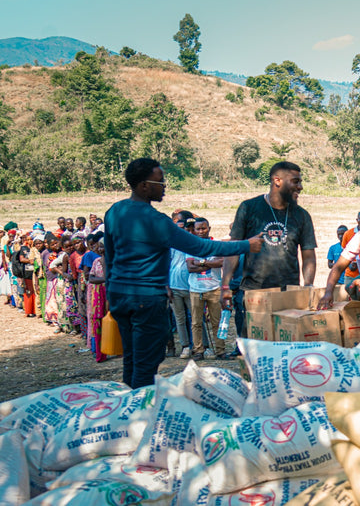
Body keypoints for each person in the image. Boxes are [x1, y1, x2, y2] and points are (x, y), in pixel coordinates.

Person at [105, 158, 261, 389]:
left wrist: (111, 291)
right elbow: (202, 247)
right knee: (147, 363)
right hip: (146, 299)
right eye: (159, 181)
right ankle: (142, 412)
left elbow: (109, 256)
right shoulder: (155, 220)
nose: (164, 186)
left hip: (120, 296)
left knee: (132, 358)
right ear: (143, 185)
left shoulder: (115, 212)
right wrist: (246, 245)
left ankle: (131, 407)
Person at [221, 161, 317, 314]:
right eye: (295, 181)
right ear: (277, 181)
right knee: (249, 338)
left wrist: (308, 286)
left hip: (288, 295)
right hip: (253, 292)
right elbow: (233, 249)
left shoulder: (302, 215)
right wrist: (225, 285)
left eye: (300, 182)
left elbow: (309, 256)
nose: (300, 187)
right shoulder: (249, 208)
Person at [187, 217, 229, 360]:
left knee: (217, 321)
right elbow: (190, 268)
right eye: (198, 229)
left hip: (214, 288)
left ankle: (220, 350)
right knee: (196, 322)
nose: (201, 231)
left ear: (209, 229)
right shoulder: (191, 246)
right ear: (194, 230)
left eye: (203, 228)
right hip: (195, 289)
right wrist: (211, 262)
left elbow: (221, 262)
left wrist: (202, 262)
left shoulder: (215, 245)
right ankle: (198, 350)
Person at [87, 238, 107, 362]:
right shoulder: (96, 261)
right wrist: (105, 280)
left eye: (102, 247)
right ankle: (100, 351)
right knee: (98, 322)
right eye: (99, 247)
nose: (100, 249)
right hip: (99, 294)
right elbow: (91, 278)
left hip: (110, 294)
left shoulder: (113, 261)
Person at [340, 210, 360, 288]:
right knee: (348, 297)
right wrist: (350, 264)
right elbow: (344, 252)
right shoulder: (348, 234)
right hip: (351, 274)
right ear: (357, 220)